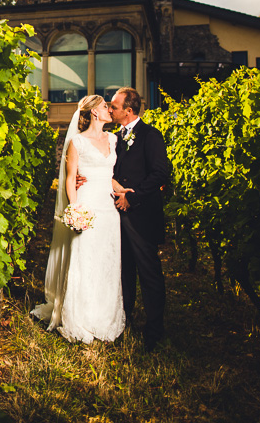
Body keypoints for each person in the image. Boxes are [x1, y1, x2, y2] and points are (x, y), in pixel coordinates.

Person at [31, 95, 125, 343]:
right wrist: (74, 209)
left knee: (107, 260)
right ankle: (81, 317)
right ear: (94, 112)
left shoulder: (113, 139)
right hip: (87, 205)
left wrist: (122, 188)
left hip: (108, 209)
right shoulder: (77, 142)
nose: (109, 110)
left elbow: (108, 175)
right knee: (85, 260)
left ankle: (105, 316)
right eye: (106, 106)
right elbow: (70, 179)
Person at [108, 87, 171, 352]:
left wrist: (132, 198)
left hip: (142, 216)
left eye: (114, 106)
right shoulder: (112, 139)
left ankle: (154, 331)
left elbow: (160, 173)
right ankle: (125, 320)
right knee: (123, 271)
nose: (110, 110)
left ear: (129, 111)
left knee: (149, 273)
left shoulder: (150, 135)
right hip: (116, 216)